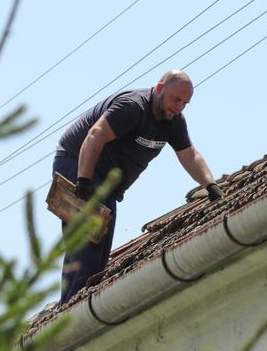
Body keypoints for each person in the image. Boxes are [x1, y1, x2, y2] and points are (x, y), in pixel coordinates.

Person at [51, 70, 220, 301]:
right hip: (78, 163)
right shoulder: (132, 107)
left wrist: (210, 185)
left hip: (107, 182)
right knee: (89, 239)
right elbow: (95, 135)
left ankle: (70, 304)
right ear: (160, 89)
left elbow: (189, 155)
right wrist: (83, 180)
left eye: (185, 103)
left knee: (99, 250)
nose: (179, 107)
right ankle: (72, 308)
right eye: (175, 99)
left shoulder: (174, 122)